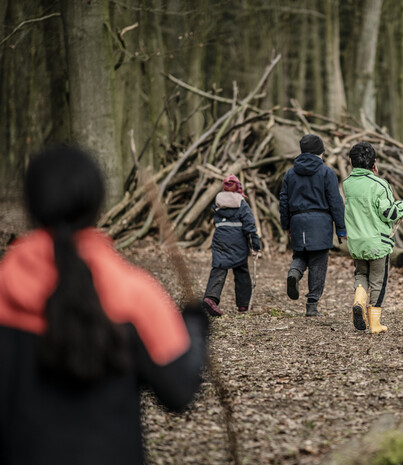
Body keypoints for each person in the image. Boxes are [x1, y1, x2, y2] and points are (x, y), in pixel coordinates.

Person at [0, 144, 208, 464]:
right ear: (97, 203)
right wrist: (195, 327)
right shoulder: (137, 294)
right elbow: (179, 391)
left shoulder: (5, 287)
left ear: (30, 205)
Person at [343, 142, 403, 334]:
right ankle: (375, 323)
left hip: (357, 243)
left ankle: (359, 300)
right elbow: (389, 213)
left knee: (361, 274)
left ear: (351, 162)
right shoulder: (380, 185)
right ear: (374, 164)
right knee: (378, 281)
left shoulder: (347, 184)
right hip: (378, 243)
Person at [279, 134, 346, 317]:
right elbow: (335, 202)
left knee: (300, 255)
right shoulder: (327, 172)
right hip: (321, 224)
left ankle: (294, 272)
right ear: (320, 152)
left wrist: (286, 225)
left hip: (297, 222)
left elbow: (283, 201)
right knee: (318, 262)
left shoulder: (290, 173)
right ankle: (312, 304)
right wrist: (341, 228)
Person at [203, 174, 261, 316]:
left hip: (220, 239)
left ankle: (210, 298)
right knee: (241, 270)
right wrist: (256, 245)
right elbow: (250, 226)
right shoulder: (242, 203)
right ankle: (244, 304)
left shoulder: (217, 204)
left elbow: (216, 222)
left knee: (219, 268)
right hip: (238, 241)